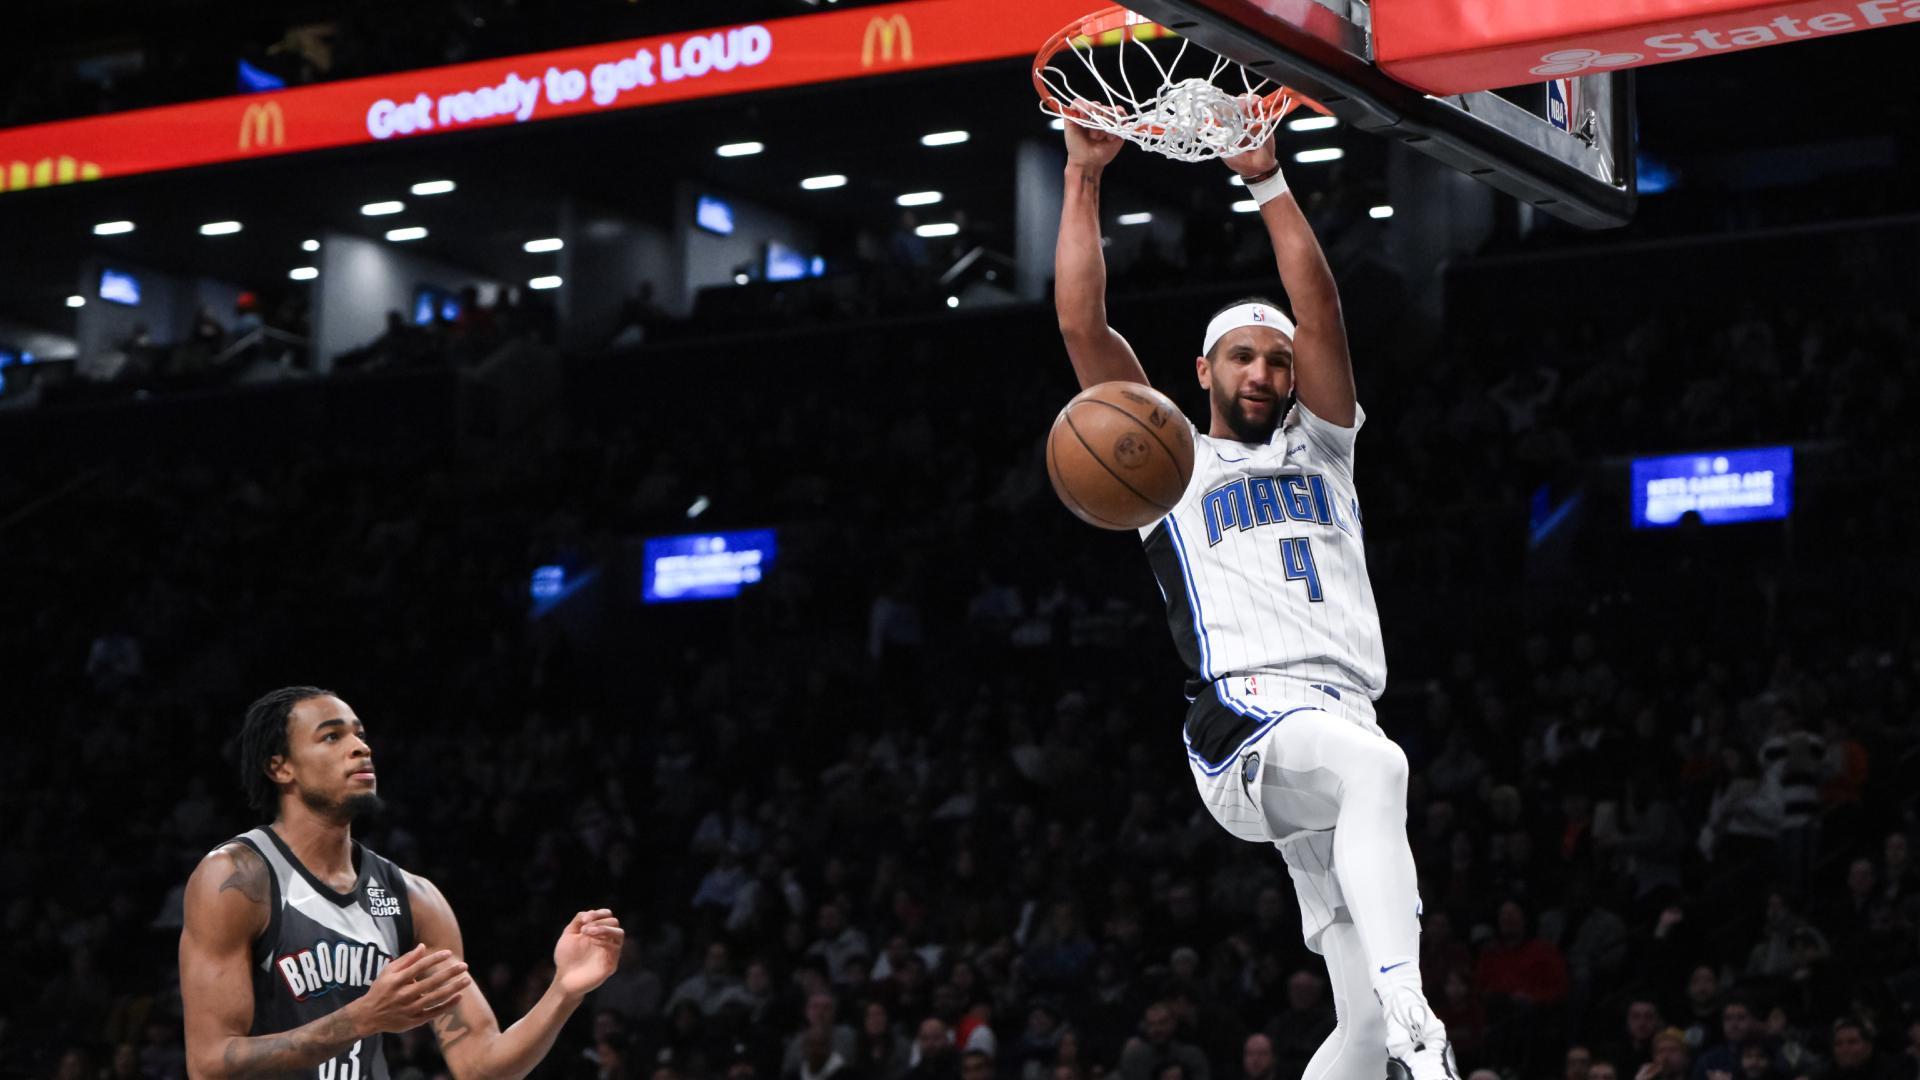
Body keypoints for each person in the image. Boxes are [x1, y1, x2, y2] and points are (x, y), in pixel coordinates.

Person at [1053, 109, 1450, 1080]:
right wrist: (1083, 179)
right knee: (1380, 772)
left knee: (1354, 1027)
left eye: (1277, 358)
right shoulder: (1165, 463)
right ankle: (1418, 1012)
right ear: (1203, 373)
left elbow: (1322, 313)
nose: (1267, 369)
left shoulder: (1328, 444)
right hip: (1247, 715)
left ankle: (1390, 1015)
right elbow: (1080, 326)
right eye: (1244, 356)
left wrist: (1269, 179)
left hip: (1339, 716)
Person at [179, 686, 624, 1080]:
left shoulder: (414, 897)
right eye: (332, 736)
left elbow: (481, 1067)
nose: (359, 748)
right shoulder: (238, 879)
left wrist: (564, 991)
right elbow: (209, 1064)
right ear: (280, 768)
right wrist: (360, 1019)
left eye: (360, 734)